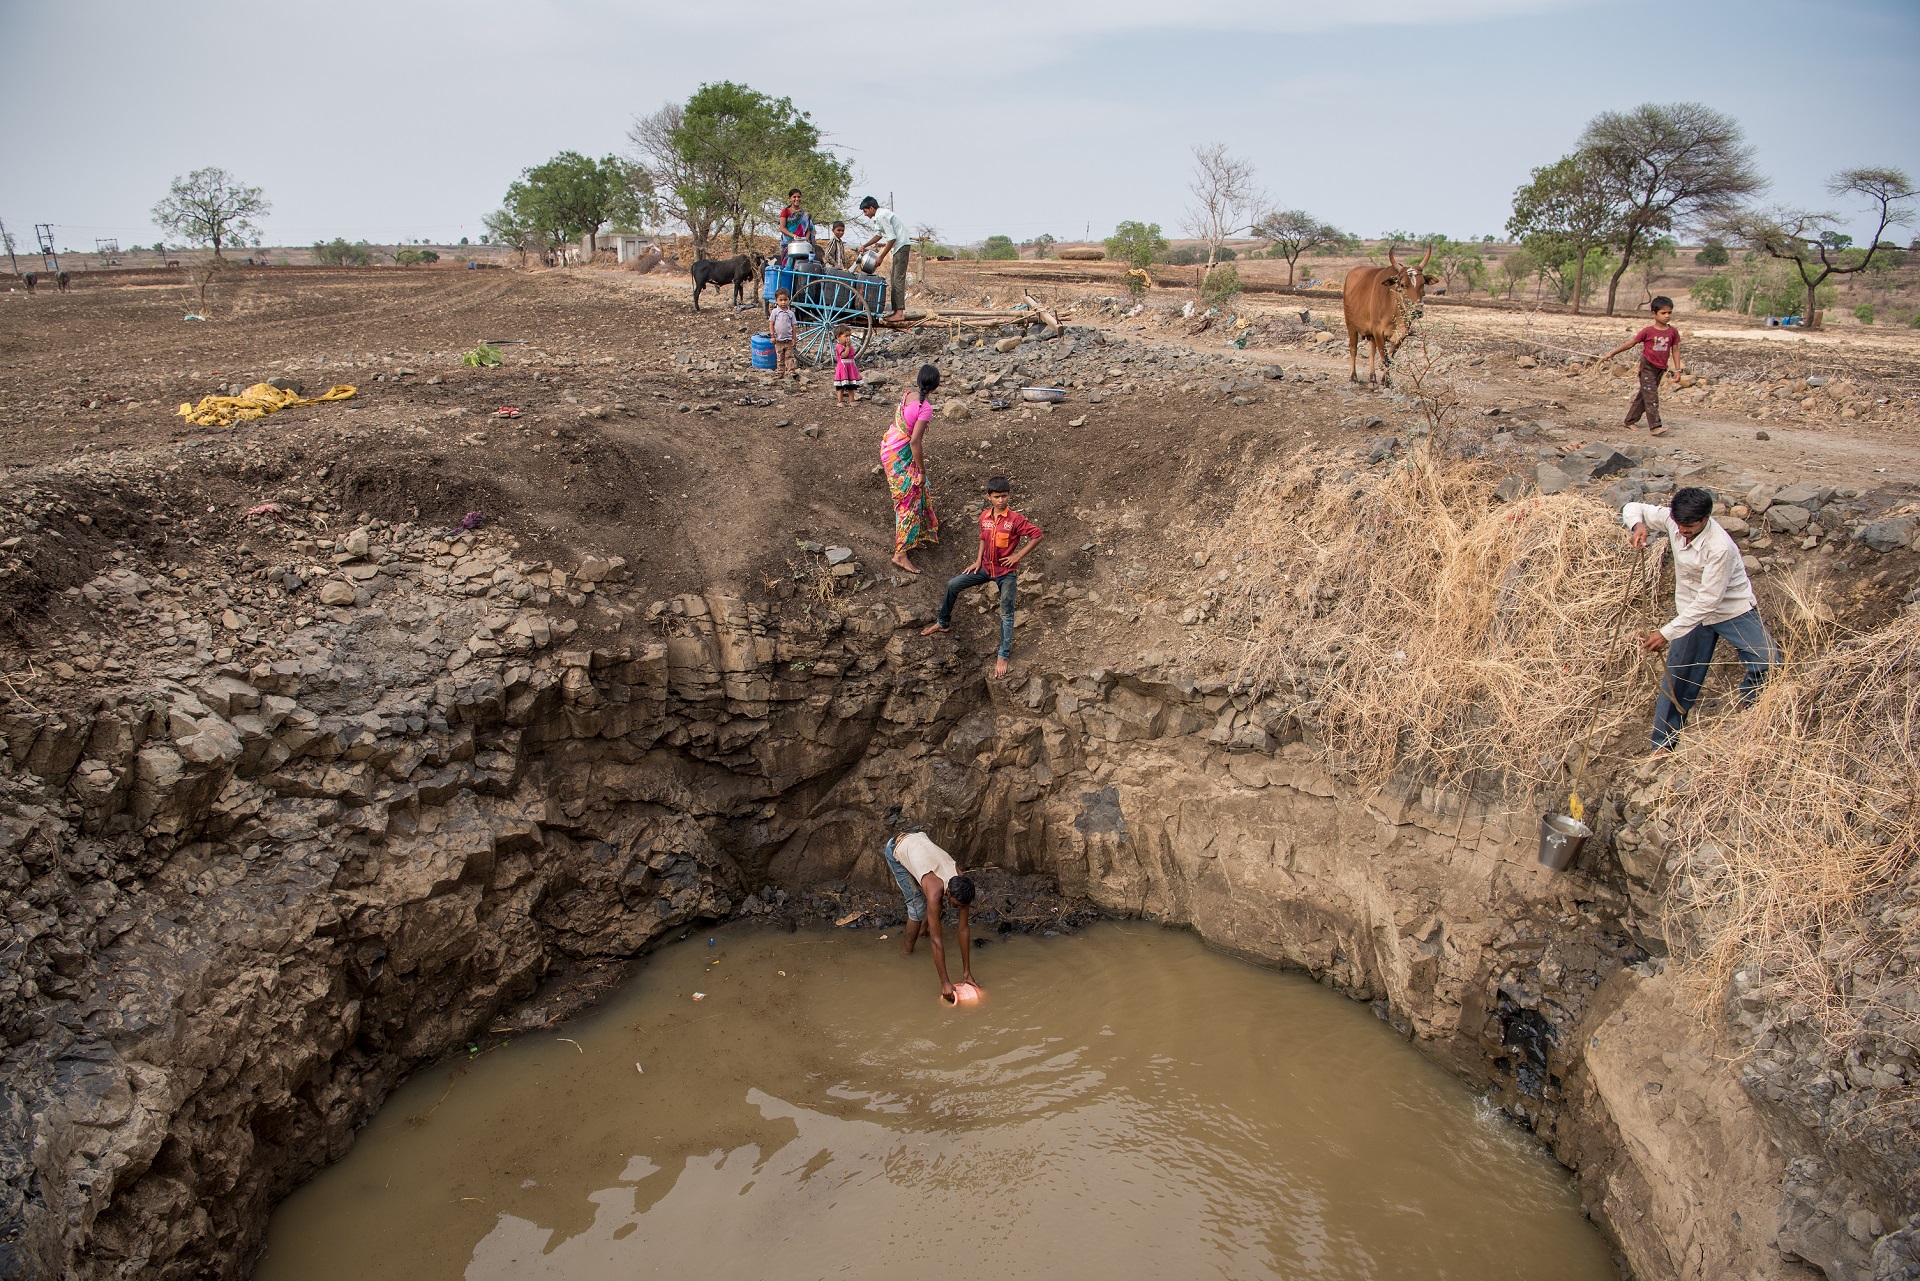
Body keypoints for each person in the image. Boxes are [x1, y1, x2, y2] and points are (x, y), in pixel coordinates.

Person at [1623, 486, 1778, 751]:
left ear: (1706, 518)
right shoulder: (1674, 520)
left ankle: (1749, 711)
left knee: (1767, 660)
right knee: (1677, 680)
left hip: (1731, 609)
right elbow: (1632, 507)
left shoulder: (1720, 547)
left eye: (1690, 526)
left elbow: (1709, 602)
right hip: (1691, 611)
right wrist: (1638, 526)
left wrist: (1665, 633)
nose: (1683, 530)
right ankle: (1663, 745)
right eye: (1679, 524)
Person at [921, 476, 1043, 677]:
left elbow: (1037, 535)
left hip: (1006, 573)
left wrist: (1018, 555)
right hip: (985, 568)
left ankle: (1003, 655)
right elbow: (983, 539)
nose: (1001, 500)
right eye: (997, 497)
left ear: (1008, 495)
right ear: (989, 497)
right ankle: (943, 623)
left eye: (1004, 496)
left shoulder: (1015, 519)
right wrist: (977, 561)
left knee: (1006, 612)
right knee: (953, 584)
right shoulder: (984, 517)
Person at [879, 811, 977, 1003]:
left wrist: (967, 972)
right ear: (948, 892)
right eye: (956, 906)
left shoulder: (962, 882)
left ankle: (922, 931)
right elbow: (936, 940)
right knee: (917, 906)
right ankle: (907, 953)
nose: (958, 909)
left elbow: (963, 929)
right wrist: (945, 982)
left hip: (919, 843)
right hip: (897, 847)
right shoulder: (934, 891)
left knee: (933, 908)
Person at [881, 364, 941, 574]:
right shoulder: (925, 408)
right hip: (900, 455)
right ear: (936, 385)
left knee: (918, 491)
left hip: (890, 447)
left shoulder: (908, 395)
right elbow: (915, 441)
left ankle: (913, 536)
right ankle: (900, 554)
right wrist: (922, 471)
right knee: (907, 500)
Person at [1598, 296, 1685, 437]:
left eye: (1669, 312)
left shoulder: (1673, 332)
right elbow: (1631, 343)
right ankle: (1655, 426)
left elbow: (1675, 350)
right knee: (1651, 396)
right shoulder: (1648, 331)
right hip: (1648, 367)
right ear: (1653, 314)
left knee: (1644, 395)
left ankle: (1629, 420)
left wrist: (1678, 369)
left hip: (1660, 368)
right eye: (1663, 313)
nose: (1667, 316)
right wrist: (1612, 353)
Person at [855, 196, 912, 320]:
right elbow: (879, 235)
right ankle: (897, 311)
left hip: (901, 246)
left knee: (897, 280)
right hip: (899, 247)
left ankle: (899, 313)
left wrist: (881, 257)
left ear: (871, 208)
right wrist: (865, 246)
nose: (865, 214)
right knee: (894, 279)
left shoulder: (881, 216)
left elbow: (892, 238)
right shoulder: (879, 216)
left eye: (865, 211)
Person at [769, 288, 797, 374]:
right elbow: (771, 323)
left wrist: (794, 338)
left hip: (788, 340)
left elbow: (794, 326)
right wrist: (772, 336)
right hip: (778, 340)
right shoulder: (775, 312)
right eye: (781, 300)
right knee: (780, 357)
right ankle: (780, 372)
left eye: (785, 300)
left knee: (789, 356)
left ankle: (791, 371)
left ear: (789, 300)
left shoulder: (791, 313)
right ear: (776, 301)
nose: (783, 302)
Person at [833, 324, 861, 405]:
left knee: (851, 386)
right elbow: (844, 355)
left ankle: (852, 401)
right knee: (840, 387)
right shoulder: (839, 346)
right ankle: (840, 401)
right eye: (845, 336)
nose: (848, 338)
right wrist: (848, 347)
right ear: (838, 337)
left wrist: (848, 347)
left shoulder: (849, 347)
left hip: (850, 368)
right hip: (843, 369)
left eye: (849, 336)